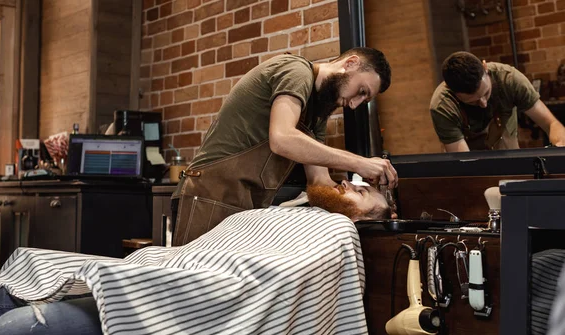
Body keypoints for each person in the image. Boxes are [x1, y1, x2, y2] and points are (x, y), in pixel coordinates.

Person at [0, 183, 392, 335]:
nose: (350, 184)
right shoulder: (278, 214)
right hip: (148, 284)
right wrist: (162, 267)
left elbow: (269, 285)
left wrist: (182, 282)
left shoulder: (335, 232)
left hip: (174, 312)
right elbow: (201, 252)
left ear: (371, 220)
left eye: (363, 192)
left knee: (8, 334)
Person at [171, 47, 397, 246]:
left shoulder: (316, 115)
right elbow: (282, 139)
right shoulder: (296, 71)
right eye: (361, 91)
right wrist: (360, 163)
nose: (355, 104)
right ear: (351, 63)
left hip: (246, 207)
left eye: (364, 101)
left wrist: (364, 209)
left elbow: (319, 181)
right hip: (209, 196)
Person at [429, 51, 565, 152]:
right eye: (473, 102)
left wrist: (560, 145)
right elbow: (464, 163)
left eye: (486, 93)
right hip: (473, 167)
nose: (483, 103)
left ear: (485, 67)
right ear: (453, 91)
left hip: (511, 159)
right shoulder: (443, 106)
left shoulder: (510, 79)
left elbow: (551, 123)